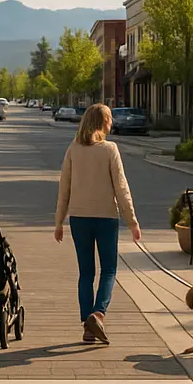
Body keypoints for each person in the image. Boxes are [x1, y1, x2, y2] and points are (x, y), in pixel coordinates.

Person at [54, 104, 141, 345]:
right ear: (102, 122)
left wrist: (59, 221)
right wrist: (132, 220)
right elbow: (121, 188)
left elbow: (64, 188)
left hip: (79, 219)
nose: (112, 122)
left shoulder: (73, 149)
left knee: (86, 273)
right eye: (110, 118)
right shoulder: (110, 149)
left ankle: (88, 327)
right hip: (106, 218)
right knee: (109, 270)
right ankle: (98, 313)